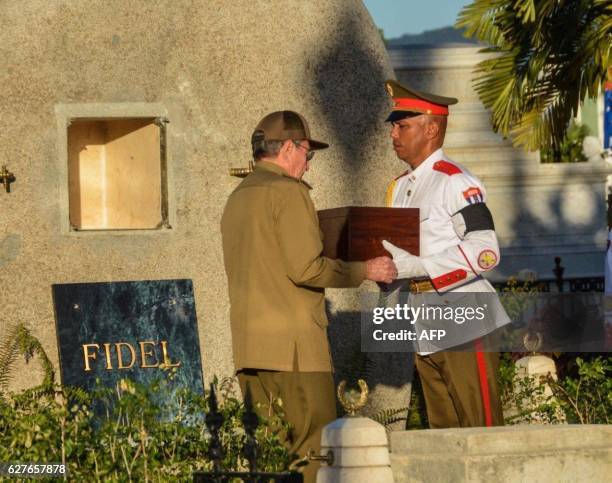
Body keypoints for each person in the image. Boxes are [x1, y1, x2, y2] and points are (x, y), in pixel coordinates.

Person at [221, 110, 397, 481]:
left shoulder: (238, 198)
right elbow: (306, 268)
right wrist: (366, 270)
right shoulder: (289, 192)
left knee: (269, 460)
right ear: (288, 148)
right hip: (296, 352)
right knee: (313, 455)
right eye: (307, 154)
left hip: (251, 351)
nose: (308, 165)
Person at [381, 80, 510, 428]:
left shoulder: (455, 181)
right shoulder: (399, 187)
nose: (394, 134)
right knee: (444, 436)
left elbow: (485, 252)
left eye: (402, 125)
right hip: (424, 321)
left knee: (480, 430)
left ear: (432, 127)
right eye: (394, 125)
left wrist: (417, 266)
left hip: (464, 316)